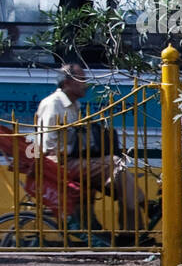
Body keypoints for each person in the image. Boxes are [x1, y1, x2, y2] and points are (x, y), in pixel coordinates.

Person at [34, 63, 146, 237]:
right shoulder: (53, 104)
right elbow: (48, 145)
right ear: (67, 82)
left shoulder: (74, 105)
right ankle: (136, 220)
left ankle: (123, 225)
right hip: (59, 163)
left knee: (119, 175)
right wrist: (76, 148)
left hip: (72, 160)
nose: (85, 84)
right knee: (115, 164)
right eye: (82, 79)